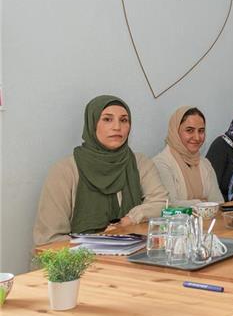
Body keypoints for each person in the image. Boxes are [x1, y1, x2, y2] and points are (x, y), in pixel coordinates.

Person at [33, 95, 168, 246]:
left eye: (124, 120)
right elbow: (49, 239)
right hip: (79, 261)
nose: (117, 127)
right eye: (107, 119)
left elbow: (162, 202)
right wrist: (100, 240)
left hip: (131, 256)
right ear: (92, 123)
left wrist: (129, 220)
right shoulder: (65, 170)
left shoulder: (140, 163)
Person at [153, 106, 224, 206]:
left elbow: (218, 203)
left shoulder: (205, 164)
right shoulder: (161, 163)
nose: (197, 137)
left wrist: (192, 204)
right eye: (189, 130)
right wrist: (202, 203)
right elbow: (168, 205)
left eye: (201, 131)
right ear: (175, 132)